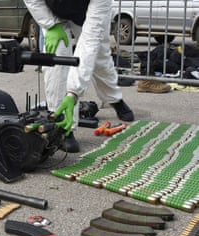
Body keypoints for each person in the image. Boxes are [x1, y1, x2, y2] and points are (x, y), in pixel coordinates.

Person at [24, 0, 135, 153]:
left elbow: (89, 44)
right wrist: (50, 24)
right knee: (57, 56)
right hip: (51, 12)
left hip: (86, 15)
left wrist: (73, 93)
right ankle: (63, 126)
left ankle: (113, 98)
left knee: (99, 58)